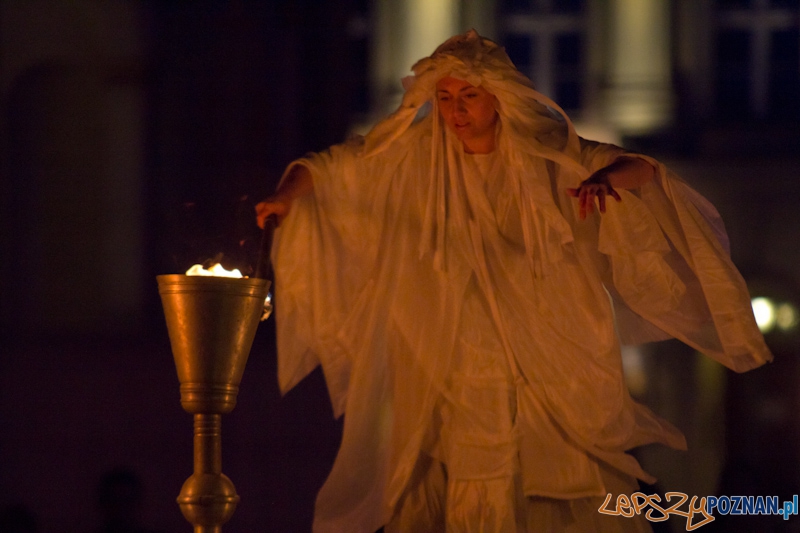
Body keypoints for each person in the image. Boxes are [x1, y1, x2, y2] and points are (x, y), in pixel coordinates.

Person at [256, 30, 771, 533]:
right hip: (454, 347)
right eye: (444, 98)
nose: (455, 111)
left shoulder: (543, 150)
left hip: (543, 343)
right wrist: (285, 195)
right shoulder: (414, 154)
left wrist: (603, 180)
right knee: (456, 459)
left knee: (555, 466)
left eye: (469, 96)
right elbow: (335, 167)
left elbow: (637, 167)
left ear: (497, 97)